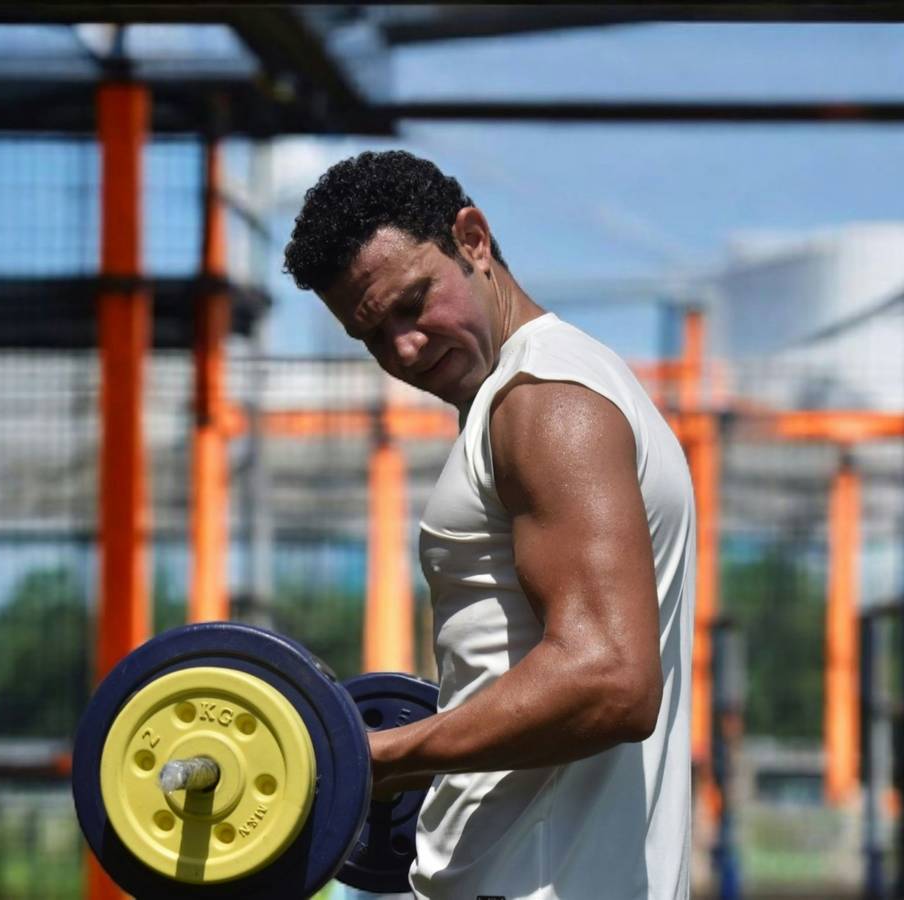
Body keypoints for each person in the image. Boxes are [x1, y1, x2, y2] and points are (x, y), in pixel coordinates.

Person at [283, 150, 695, 900]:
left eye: (413, 303)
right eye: (372, 336)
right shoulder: (546, 391)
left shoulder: (544, 401)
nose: (403, 349)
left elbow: (610, 677)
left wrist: (379, 756)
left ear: (472, 239)